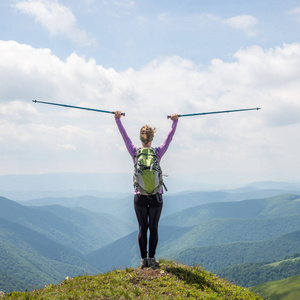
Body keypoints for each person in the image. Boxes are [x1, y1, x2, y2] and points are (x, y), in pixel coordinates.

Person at [114, 111, 178, 268]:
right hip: (156, 196)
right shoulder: (157, 153)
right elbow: (169, 139)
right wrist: (174, 122)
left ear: (140, 138)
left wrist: (117, 119)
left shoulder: (135, 153)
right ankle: (152, 258)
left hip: (140, 196)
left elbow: (124, 137)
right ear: (152, 138)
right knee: (154, 228)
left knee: (142, 228)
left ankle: (143, 260)